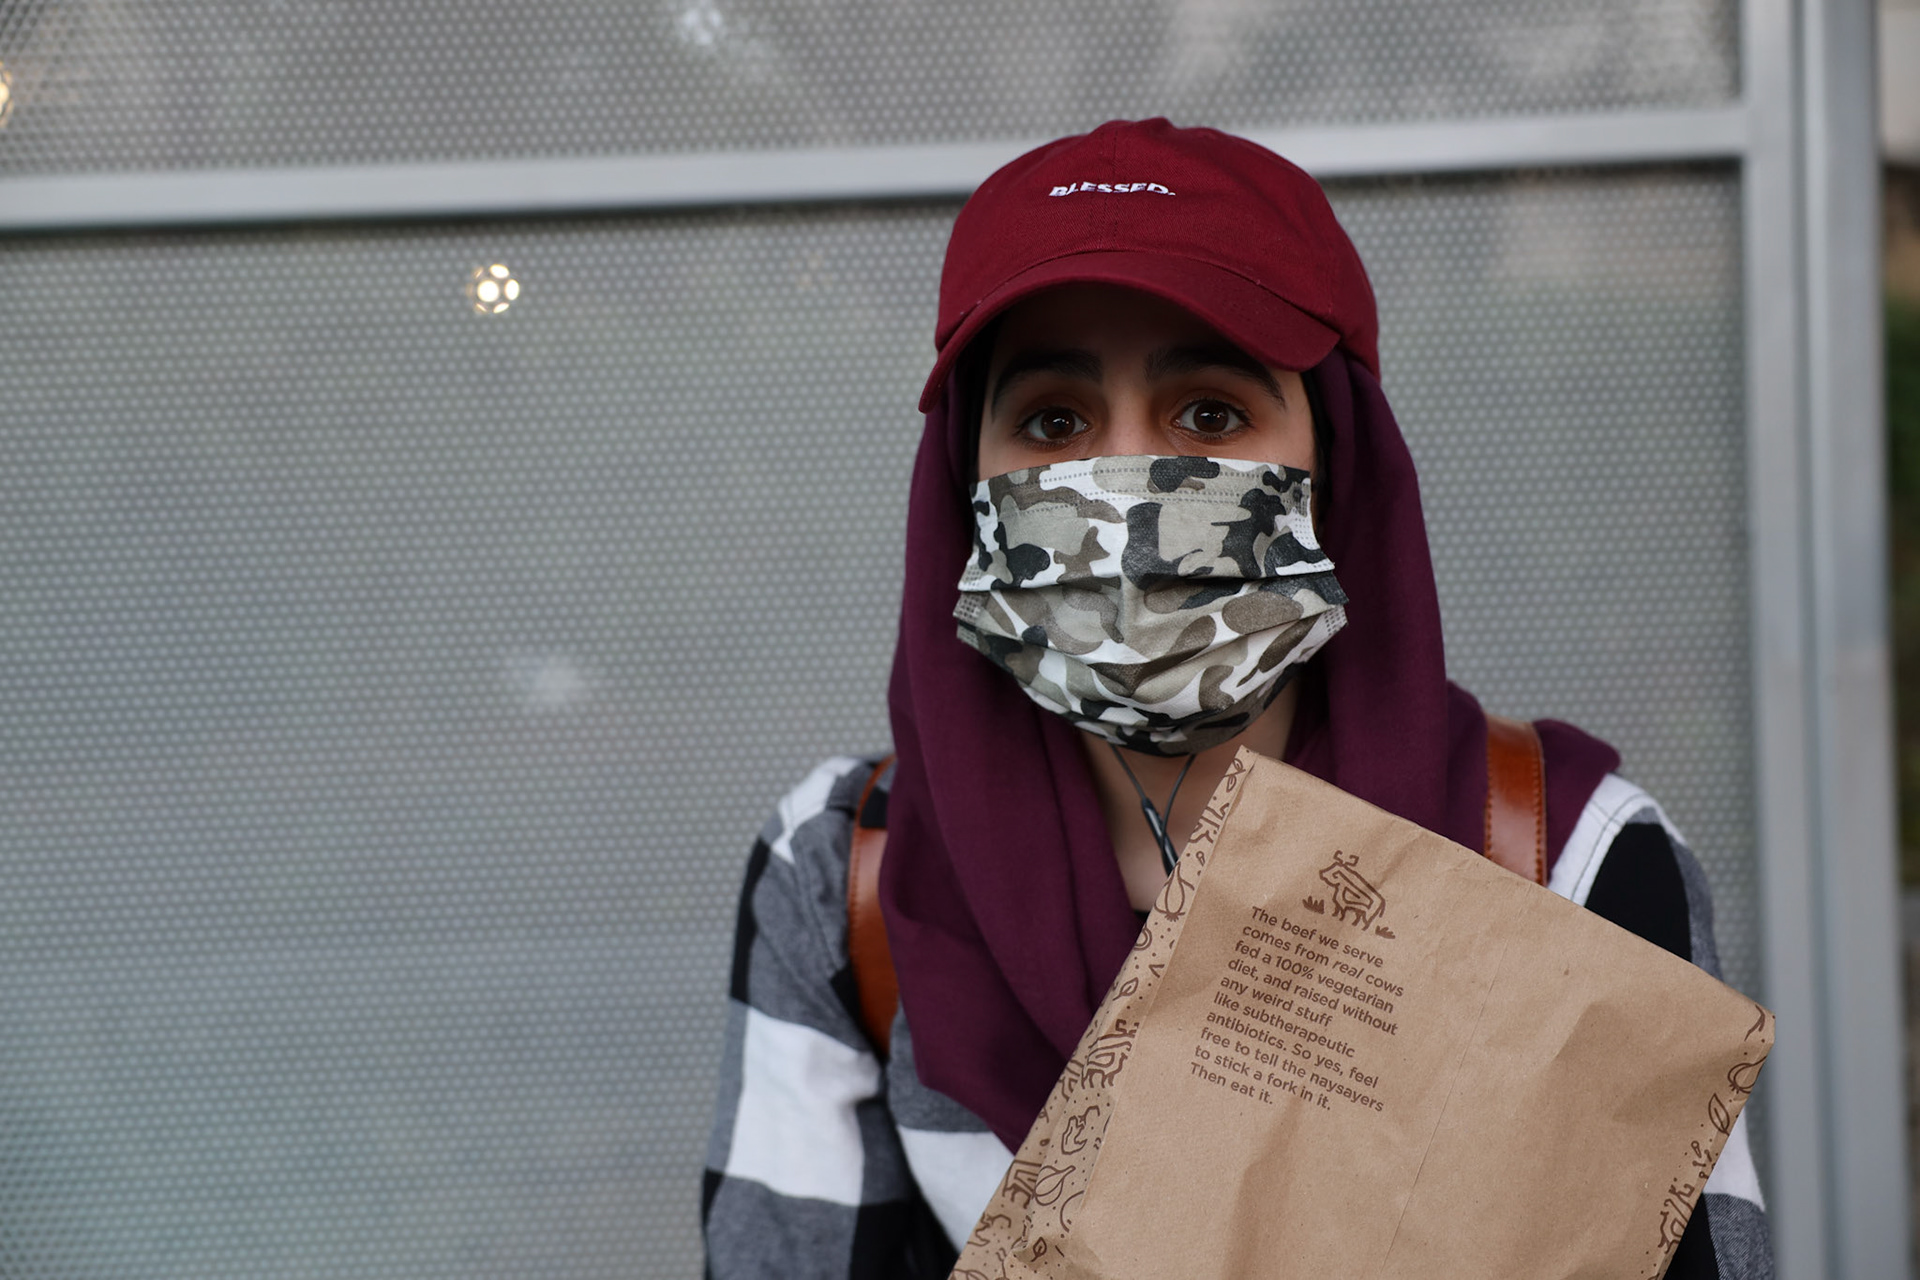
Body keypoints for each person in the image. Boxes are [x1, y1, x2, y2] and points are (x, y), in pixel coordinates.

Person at [701, 119, 1771, 1279]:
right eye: (1052, 421)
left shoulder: (1564, 860)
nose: (1123, 487)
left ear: (1337, 459)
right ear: (963, 480)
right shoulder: (849, 869)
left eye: (1210, 413)